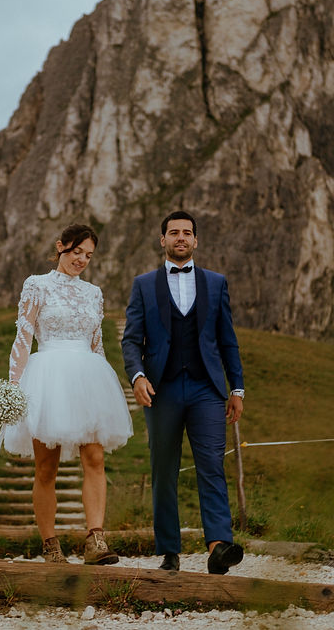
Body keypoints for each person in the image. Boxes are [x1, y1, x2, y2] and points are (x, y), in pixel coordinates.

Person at [120, 210, 246, 574]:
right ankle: (169, 551)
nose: (180, 238)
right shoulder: (143, 284)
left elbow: (228, 341)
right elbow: (131, 340)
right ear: (163, 240)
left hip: (207, 389)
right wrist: (138, 376)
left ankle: (219, 546)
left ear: (195, 240)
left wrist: (236, 387)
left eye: (186, 233)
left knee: (211, 465)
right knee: (164, 469)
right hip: (162, 389)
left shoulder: (216, 282)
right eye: (173, 232)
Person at [3, 223, 133, 565]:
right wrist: (13, 388)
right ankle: (51, 546)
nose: (82, 260)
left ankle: (96, 540)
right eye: (77, 252)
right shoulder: (37, 285)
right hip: (47, 378)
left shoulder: (94, 293)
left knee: (95, 458)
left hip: (87, 378)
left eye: (88, 255)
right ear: (61, 247)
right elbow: (23, 337)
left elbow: (97, 344)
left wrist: (105, 391)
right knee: (47, 468)